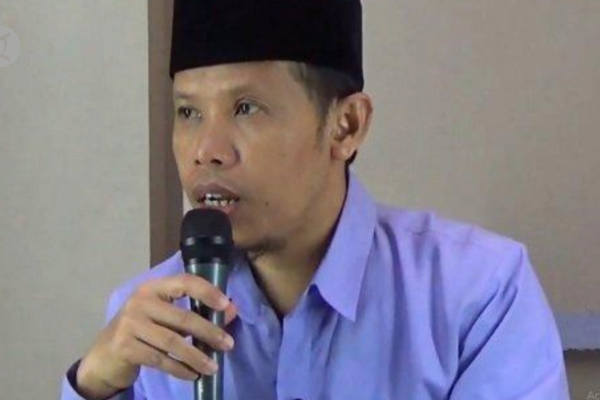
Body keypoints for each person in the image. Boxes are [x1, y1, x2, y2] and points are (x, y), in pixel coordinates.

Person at [61, 0, 570, 399]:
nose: (205, 151)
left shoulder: (478, 295)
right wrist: (94, 386)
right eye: (188, 113)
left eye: (246, 107)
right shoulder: (151, 317)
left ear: (346, 126)